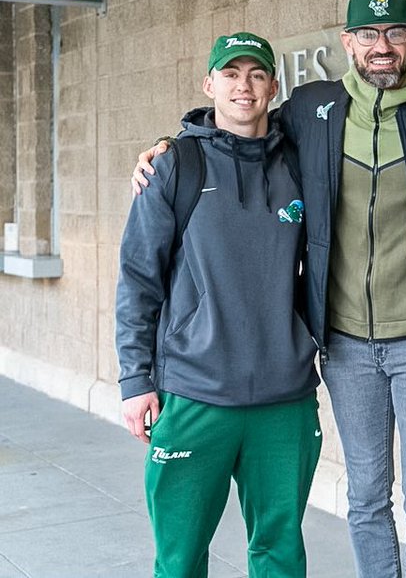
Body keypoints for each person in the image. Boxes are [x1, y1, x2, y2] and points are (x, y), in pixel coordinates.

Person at [133, 0, 406, 578]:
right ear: (347, 43)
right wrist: (170, 145)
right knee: (367, 498)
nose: (382, 46)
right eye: (368, 35)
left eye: (395, 33)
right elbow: (235, 126)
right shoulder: (312, 111)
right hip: (345, 343)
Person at [115, 31, 322, 576]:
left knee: (280, 554)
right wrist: (136, 382)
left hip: (284, 397)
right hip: (194, 395)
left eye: (256, 75)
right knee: (180, 560)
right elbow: (139, 279)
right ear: (209, 84)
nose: (244, 86)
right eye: (230, 74)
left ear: (274, 87)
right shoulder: (172, 167)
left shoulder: (300, 166)